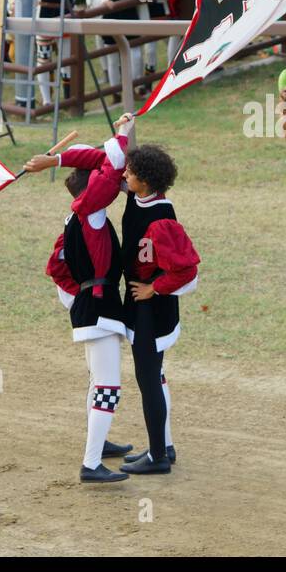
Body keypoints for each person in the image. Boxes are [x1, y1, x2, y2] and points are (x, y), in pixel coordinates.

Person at [24, 114, 138, 483]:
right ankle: (91, 464)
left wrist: (56, 161)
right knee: (108, 386)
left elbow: (56, 266)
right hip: (99, 307)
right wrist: (122, 133)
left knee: (97, 382)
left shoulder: (77, 216)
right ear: (92, 188)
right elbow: (113, 162)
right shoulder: (90, 210)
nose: (115, 181)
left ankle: (99, 444)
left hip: (91, 305)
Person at [118, 143, 200, 475]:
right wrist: (123, 133)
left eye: (131, 172)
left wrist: (155, 288)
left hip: (152, 311)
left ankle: (157, 457)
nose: (124, 175)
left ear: (147, 181)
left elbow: (187, 270)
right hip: (140, 307)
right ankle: (162, 445)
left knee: (148, 378)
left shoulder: (161, 220)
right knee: (151, 377)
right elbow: (109, 165)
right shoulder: (137, 197)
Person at [87, 0, 151, 90]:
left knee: (136, 57)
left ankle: (137, 86)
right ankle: (115, 91)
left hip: (130, 20)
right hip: (110, 21)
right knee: (112, 59)